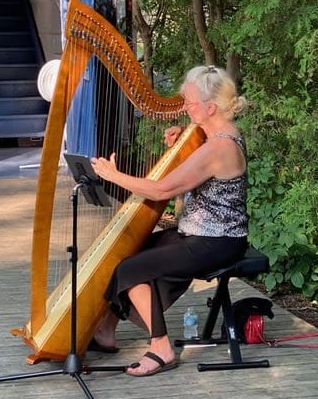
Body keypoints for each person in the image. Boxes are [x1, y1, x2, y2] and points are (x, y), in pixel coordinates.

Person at [90, 64, 249, 376]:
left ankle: (161, 347)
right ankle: (106, 332)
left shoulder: (219, 146)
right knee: (129, 251)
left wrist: (113, 176)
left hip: (217, 242)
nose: (184, 107)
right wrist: (180, 148)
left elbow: (162, 188)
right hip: (198, 233)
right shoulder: (216, 135)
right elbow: (195, 180)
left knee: (130, 269)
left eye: (188, 102)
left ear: (210, 107)